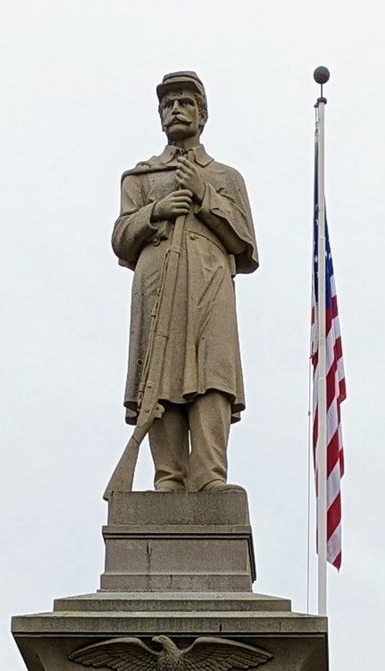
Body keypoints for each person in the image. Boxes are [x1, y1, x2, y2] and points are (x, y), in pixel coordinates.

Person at [112, 71, 258, 493]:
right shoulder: (139, 179)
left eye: (185, 102)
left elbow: (246, 244)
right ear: (160, 116)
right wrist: (155, 212)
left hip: (211, 283)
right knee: (160, 375)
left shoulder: (226, 178)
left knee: (213, 374)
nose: (176, 109)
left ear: (202, 114)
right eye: (168, 104)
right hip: (157, 287)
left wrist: (203, 196)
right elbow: (121, 238)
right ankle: (169, 479)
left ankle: (210, 476)